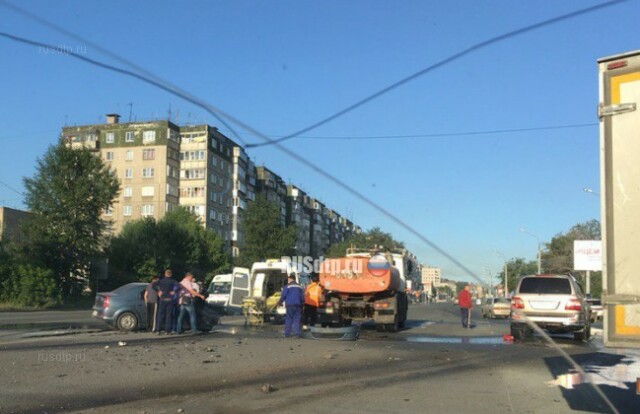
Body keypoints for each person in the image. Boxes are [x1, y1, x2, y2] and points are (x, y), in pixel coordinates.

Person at [156, 269, 179, 334]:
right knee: (168, 316)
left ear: (165, 274)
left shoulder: (161, 281)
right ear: (171, 274)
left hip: (162, 299)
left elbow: (153, 285)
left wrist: (158, 291)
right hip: (169, 299)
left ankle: (158, 330)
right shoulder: (173, 281)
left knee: (160, 315)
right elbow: (179, 286)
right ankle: (167, 330)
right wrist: (174, 291)